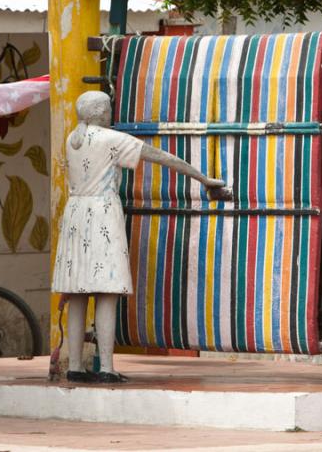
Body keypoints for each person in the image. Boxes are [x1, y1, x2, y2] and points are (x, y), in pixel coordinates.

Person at [52, 90, 228, 383]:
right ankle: (106, 367)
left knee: (79, 291)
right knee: (106, 291)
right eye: (108, 109)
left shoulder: (74, 138)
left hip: (76, 214)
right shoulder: (110, 139)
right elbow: (161, 157)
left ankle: (75, 368)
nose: (111, 114)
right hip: (101, 211)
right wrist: (203, 178)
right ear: (100, 113)